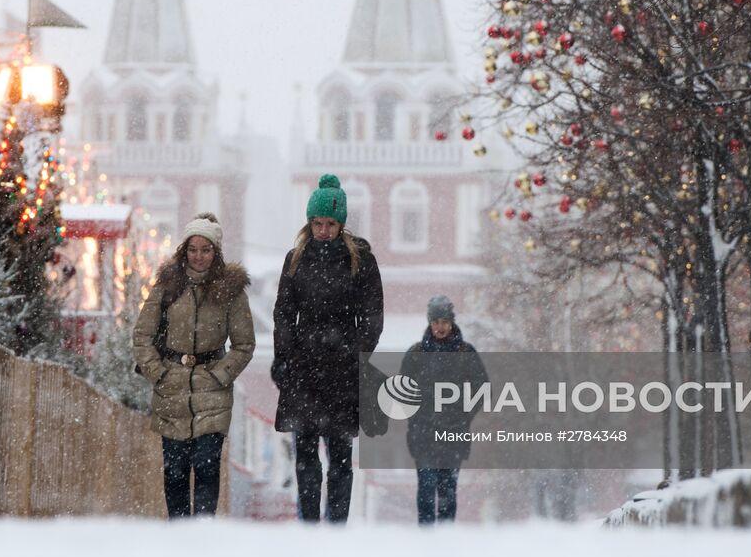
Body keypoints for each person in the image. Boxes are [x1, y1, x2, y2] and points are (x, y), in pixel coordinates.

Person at [271, 173, 384, 523]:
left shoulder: (360, 260)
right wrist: (284, 358)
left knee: (340, 455)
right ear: (309, 223)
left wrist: (356, 354)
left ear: (341, 223)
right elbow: (284, 313)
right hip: (304, 368)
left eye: (330, 223)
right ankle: (308, 523)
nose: (323, 230)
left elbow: (372, 315)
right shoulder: (296, 259)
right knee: (304, 453)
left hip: (343, 371)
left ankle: (336, 526)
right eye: (317, 223)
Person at [133, 212, 255, 519]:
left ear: (216, 252)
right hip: (171, 390)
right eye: (193, 249)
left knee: (206, 465)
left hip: (212, 391)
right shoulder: (167, 286)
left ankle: (202, 534)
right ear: (183, 250)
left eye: (206, 249)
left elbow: (244, 344)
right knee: (174, 471)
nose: (198, 256)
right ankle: (178, 536)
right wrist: (158, 373)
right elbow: (143, 335)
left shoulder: (231, 291)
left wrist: (219, 374)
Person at [402, 295, 488, 525]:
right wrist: (417, 414)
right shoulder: (416, 354)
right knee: (427, 487)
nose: (440, 327)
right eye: (435, 322)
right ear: (430, 323)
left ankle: (445, 537)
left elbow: (482, 389)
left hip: (453, 434)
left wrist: (462, 415)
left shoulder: (466, 353)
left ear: (451, 322)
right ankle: (428, 537)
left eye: (444, 322)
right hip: (423, 434)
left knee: (448, 490)